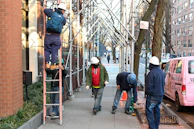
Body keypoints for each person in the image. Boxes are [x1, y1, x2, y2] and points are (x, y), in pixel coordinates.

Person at [44, 3, 67, 70]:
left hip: (48, 35)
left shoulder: (52, 13)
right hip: (56, 36)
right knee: (55, 50)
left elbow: (45, 10)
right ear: (63, 10)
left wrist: (53, 10)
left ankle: (47, 63)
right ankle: (53, 64)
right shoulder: (63, 18)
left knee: (47, 49)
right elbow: (64, 23)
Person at [145, 56, 165, 129]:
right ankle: (156, 126)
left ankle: (152, 127)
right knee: (157, 111)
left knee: (149, 111)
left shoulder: (151, 73)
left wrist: (148, 93)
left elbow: (149, 86)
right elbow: (163, 84)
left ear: (151, 64)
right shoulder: (162, 73)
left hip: (153, 95)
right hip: (160, 95)